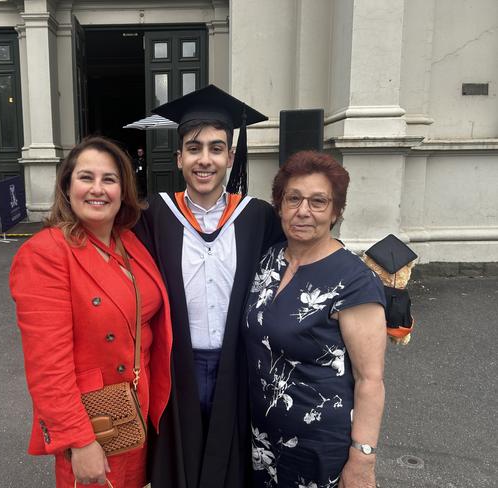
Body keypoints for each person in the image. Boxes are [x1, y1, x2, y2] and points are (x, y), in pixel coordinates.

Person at [133, 85, 283, 488]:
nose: (205, 159)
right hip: (175, 364)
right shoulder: (153, 216)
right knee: (180, 464)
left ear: (230, 158)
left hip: (237, 365)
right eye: (194, 147)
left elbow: (296, 266)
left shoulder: (257, 217)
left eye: (216, 148)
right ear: (179, 156)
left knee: (230, 465)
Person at [9, 136, 172, 488]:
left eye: (109, 179)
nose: (97, 189)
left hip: (138, 409)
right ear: (67, 186)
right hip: (94, 421)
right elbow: (47, 366)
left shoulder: (129, 241)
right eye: (86, 177)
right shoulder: (45, 255)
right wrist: (78, 441)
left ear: (123, 190)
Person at [244, 151, 387, 487]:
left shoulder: (354, 281)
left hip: (317, 444)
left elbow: (370, 379)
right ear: (279, 206)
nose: (303, 211)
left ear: (336, 211)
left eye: (318, 201)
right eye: (293, 199)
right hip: (262, 435)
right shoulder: (269, 260)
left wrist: (363, 459)